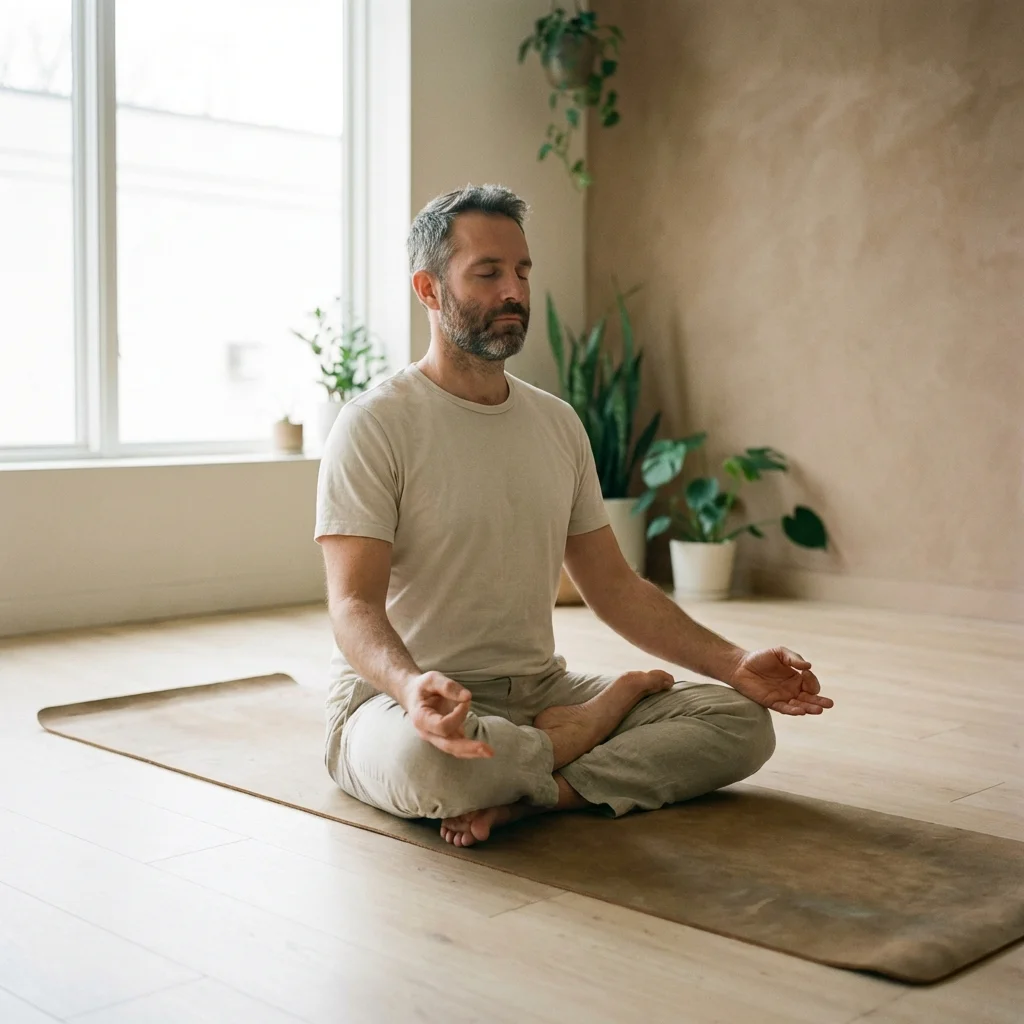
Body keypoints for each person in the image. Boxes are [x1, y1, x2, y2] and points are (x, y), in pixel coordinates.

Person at [315, 184, 833, 848]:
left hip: (537, 692)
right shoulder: (374, 424)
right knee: (431, 763)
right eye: (488, 273)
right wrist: (411, 686)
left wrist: (734, 664)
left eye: (523, 271)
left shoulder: (557, 424)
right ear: (429, 289)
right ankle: (573, 743)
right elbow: (352, 605)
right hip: (396, 703)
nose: (515, 292)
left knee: (739, 723)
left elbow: (614, 586)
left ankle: (540, 793)